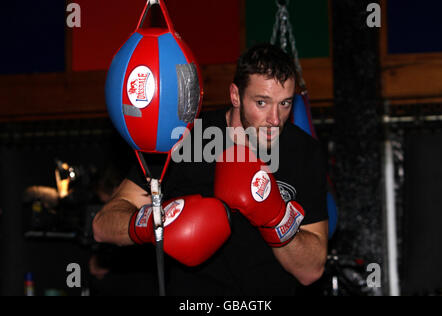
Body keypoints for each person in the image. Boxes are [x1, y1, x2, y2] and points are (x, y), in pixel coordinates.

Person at [93, 43, 328, 296]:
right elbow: (102, 225)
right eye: (262, 102)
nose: (275, 119)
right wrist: (154, 222)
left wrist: (274, 217)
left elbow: (310, 271)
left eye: (285, 104)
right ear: (235, 95)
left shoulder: (304, 153)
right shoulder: (185, 139)